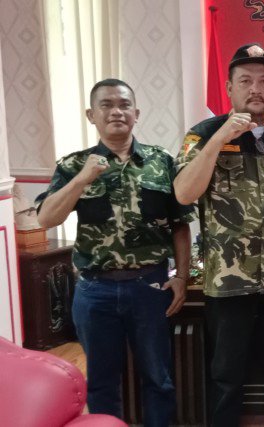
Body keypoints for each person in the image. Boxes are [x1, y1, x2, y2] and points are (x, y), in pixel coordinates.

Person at [173, 43, 264, 427]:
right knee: (226, 376)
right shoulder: (203, 134)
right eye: (245, 81)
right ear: (229, 88)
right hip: (228, 281)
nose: (255, 88)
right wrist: (220, 138)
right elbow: (185, 193)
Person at [36, 78, 194, 427]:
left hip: (150, 286)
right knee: (102, 382)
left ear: (136, 113)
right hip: (96, 290)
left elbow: (180, 225)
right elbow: (47, 218)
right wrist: (82, 179)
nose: (116, 112)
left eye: (124, 105)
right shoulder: (74, 164)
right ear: (91, 115)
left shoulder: (161, 162)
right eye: (106, 105)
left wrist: (182, 277)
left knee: (159, 377)